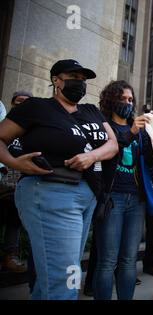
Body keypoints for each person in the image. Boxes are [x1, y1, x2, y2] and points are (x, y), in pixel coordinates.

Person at [0, 59, 119, 299]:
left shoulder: (91, 111)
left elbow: (113, 144)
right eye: (74, 77)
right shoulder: (36, 107)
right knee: (64, 282)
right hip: (51, 191)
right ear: (56, 80)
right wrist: (15, 162)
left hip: (87, 195)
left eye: (84, 80)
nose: (80, 83)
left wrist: (91, 156)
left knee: (55, 277)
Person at [92, 80, 153, 300]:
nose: (127, 103)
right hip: (112, 198)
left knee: (129, 260)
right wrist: (132, 131)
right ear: (111, 100)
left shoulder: (139, 131)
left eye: (130, 99)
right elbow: (109, 150)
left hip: (135, 200)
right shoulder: (103, 124)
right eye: (122, 99)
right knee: (107, 260)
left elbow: (149, 160)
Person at [0, 92, 33, 274]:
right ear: (12, 104)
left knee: (15, 222)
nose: (22, 106)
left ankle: (10, 256)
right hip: (3, 182)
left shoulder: (34, 131)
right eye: (18, 102)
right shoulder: (5, 127)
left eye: (27, 103)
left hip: (19, 187)